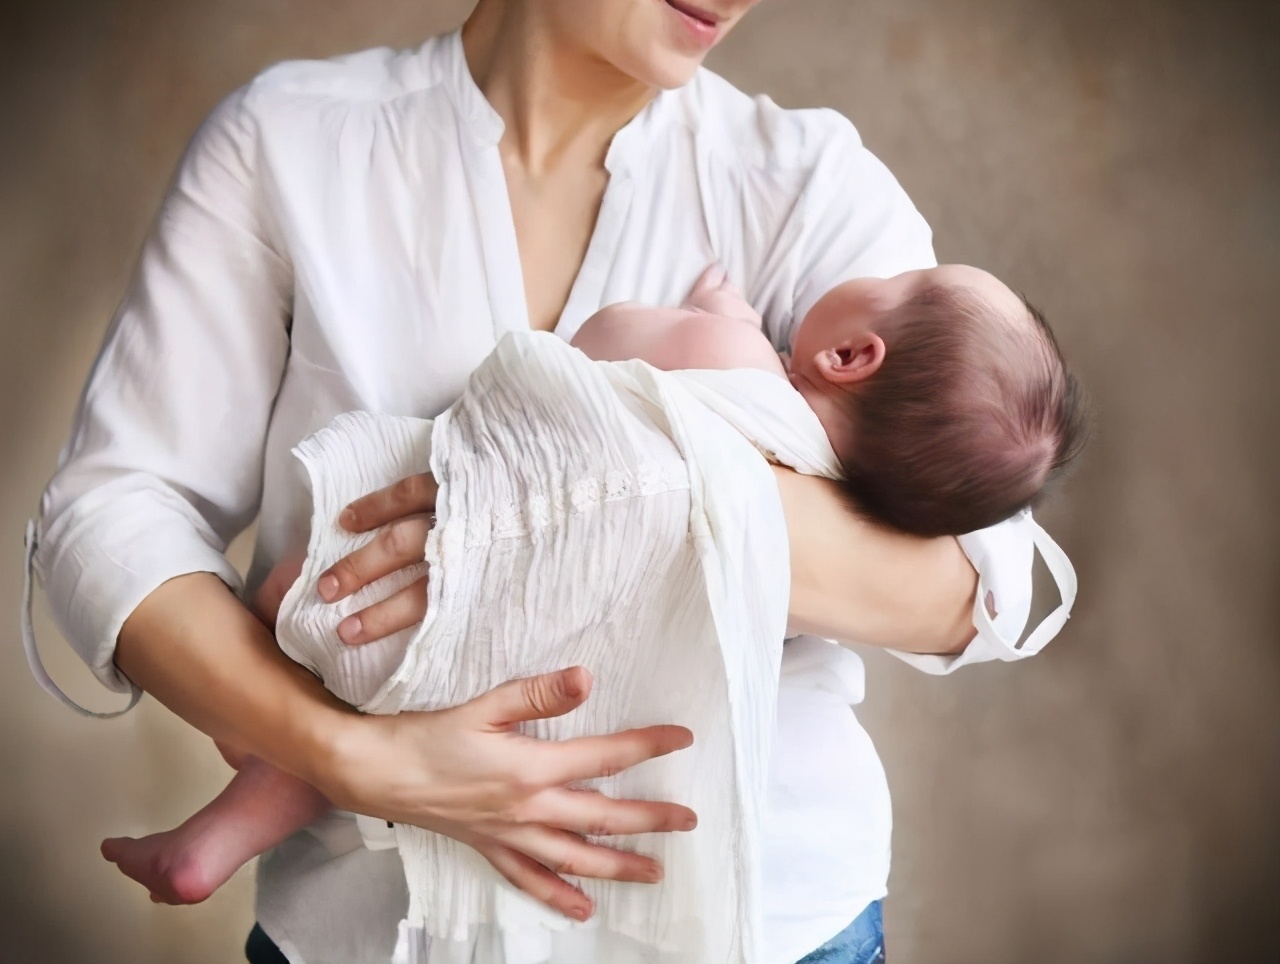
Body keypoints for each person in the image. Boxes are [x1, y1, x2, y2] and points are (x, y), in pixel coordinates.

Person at [25, 2, 1076, 962]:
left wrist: (545, 510)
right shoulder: (293, 143)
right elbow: (112, 511)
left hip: (766, 925)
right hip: (374, 926)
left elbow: (981, 576)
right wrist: (346, 756)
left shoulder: (805, 181)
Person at [97, 260, 1085, 917]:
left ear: (848, 356)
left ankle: (247, 744)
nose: (870, 268)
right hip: (583, 708)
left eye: (895, 277)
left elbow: (604, 338)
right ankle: (222, 824)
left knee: (316, 592)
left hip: (466, 583)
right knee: (387, 713)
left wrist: (715, 320)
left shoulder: (742, 366)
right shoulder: (853, 496)